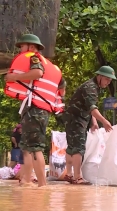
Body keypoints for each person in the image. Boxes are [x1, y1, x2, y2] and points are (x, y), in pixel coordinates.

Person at [4, 34, 66, 187]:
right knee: (27, 146)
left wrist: (13, 77)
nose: (20, 50)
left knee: (35, 147)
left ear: (31, 47)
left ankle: (42, 186)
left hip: (35, 109)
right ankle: (26, 180)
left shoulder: (34, 58)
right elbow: (62, 89)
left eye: (22, 46)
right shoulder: (52, 66)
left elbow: (37, 73)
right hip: (39, 109)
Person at [63, 66, 115, 185]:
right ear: (100, 76)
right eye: (107, 79)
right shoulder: (91, 87)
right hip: (76, 118)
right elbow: (92, 108)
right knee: (78, 147)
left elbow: (90, 106)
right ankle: (77, 177)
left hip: (74, 117)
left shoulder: (95, 87)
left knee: (72, 146)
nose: (108, 82)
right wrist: (104, 121)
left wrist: (95, 122)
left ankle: (69, 174)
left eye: (110, 81)